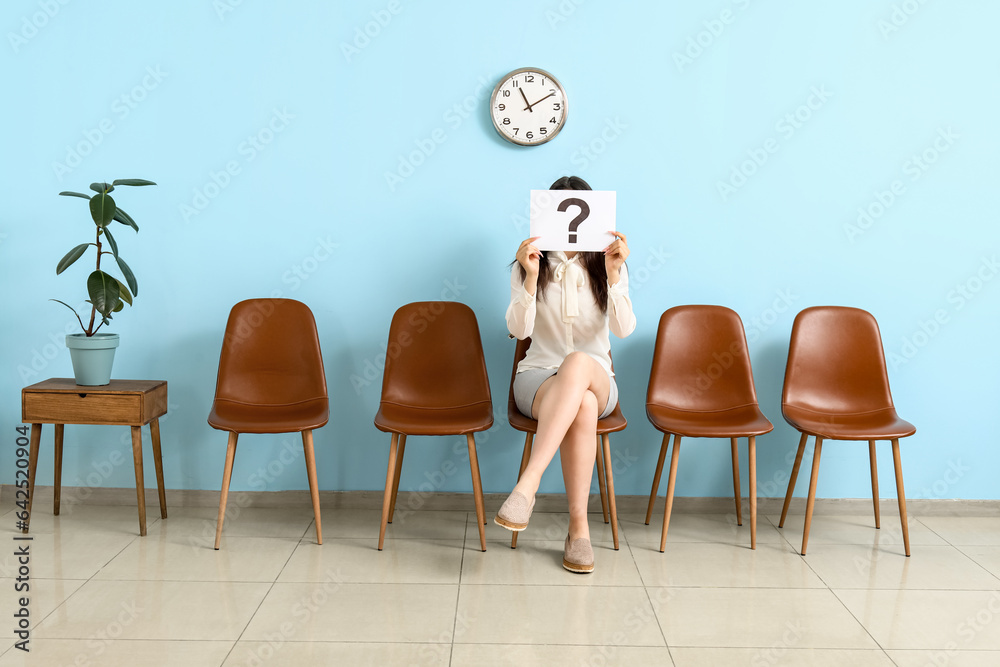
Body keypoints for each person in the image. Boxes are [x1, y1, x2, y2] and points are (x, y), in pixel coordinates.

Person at [495, 175, 636, 573]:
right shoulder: (530, 262)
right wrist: (529, 278)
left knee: (578, 365)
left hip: (597, 376)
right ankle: (579, 530)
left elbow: (623, 329)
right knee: (583, 403)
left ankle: (528, 485)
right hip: (538, 378)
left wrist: (614, 275)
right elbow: (520, 332)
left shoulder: (608, 265)